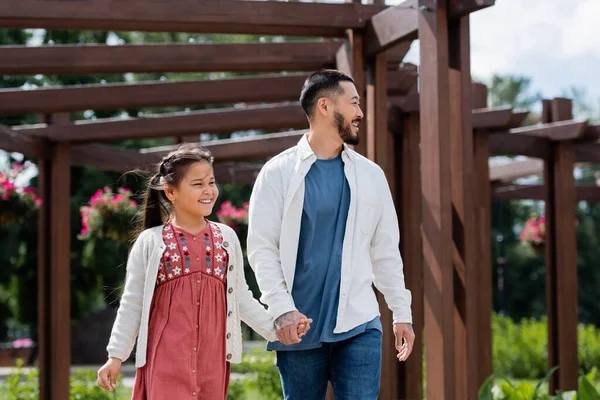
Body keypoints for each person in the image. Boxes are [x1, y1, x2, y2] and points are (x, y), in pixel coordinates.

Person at [247, 70, 415, 400]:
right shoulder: (277, 173)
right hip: (298, 327)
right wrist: (281, 309)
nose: (360, 113)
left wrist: (402, 313)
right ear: (325, 106)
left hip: (360, 323)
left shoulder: (371, 176)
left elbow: (384, 251)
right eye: (353, 103)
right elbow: (261, 249)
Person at [96, 144, 311, 399]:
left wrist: (277, 329)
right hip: (165, 364)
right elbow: (132, 303)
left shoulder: (226, 238)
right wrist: (115, 356)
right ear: (170, 191)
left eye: (211, 181)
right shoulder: (151, 242)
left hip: (213, 365)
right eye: (198, 184)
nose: (208, 190)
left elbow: (241, 299)